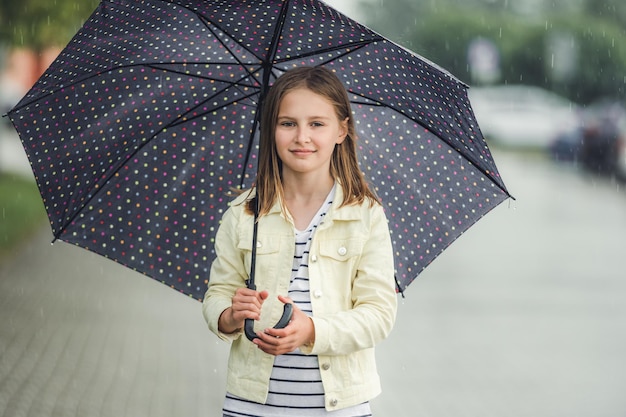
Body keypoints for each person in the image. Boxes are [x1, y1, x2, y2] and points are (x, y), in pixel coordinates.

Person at [202, 66, 397, 416]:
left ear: (342, 130)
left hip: (340, 408)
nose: (301, 137)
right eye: (287, 123)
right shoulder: (244, 213)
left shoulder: (366, 215)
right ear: (271, 130)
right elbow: (216, 294)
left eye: (317, 124)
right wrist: (231, 314)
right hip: (252, 406)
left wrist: (312, 330)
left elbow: (378, 314)